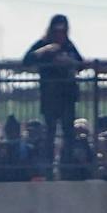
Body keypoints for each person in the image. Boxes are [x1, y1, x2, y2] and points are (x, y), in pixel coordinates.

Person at [23, 14, 84, 167]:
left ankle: (67, 166)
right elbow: (26, 60)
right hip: (50, 96)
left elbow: (81, 64)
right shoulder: (43, 44)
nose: (60, 34)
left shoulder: (69, 46)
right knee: (49, 132)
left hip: (67, 96)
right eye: (57, 30)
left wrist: (69, 62)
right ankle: (48, 167)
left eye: (63, 30)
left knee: (68, 133)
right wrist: (45, 51)